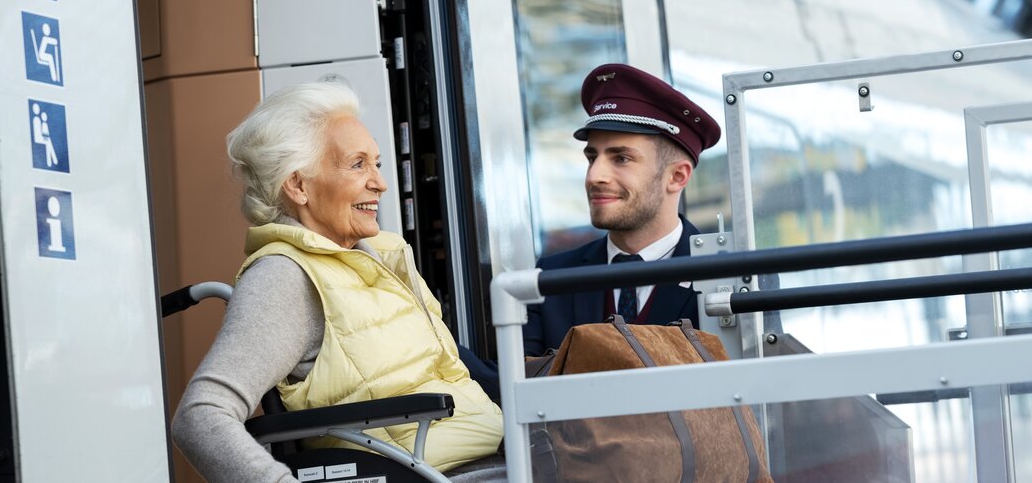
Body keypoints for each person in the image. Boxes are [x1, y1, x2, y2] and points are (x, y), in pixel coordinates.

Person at [171, 81, 503, 482]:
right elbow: (200, 415)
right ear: (298, 185)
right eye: (357, 164)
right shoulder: (285, 277)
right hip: (438, 473)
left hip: (499, 454)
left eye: (377, 163)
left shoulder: (382, 255)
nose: (380, 183)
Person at [522, 63, 721, 357]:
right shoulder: (551, 278)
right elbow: (515, 388)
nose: (594, 176)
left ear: (677, 176)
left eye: (622, 159)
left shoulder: (727, 276)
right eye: (592, 157)